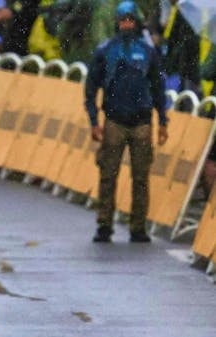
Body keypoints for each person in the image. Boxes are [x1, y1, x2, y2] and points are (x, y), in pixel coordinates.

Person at [85, 0, 168, 244]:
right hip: (114, 121)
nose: (127, 24)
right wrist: (94, 121)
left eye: (131, 20)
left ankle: (138, 227)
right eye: (123, 20)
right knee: (108, 175)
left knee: (141, 177)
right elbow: (90, 88)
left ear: (137, 22)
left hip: (142, 122)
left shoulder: (148, 51)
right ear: (117, 22)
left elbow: (158, 87)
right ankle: (104, 225)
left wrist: (163, 121)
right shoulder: (105, 50)